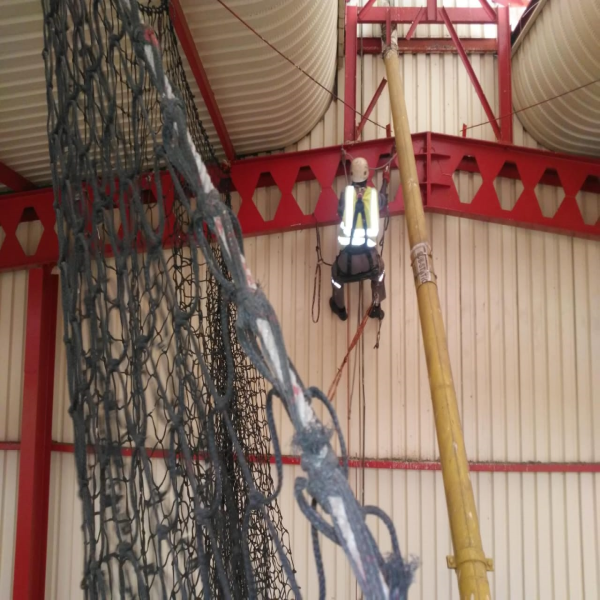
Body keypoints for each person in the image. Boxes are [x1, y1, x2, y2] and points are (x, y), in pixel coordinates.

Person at [330, 157, 387, 322]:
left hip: (347, 262)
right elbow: (383, 200)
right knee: (380, 271)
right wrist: (385, 180)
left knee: (335, 274)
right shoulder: (374, 196)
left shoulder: (345, 194)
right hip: (369, 260)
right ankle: (376, 306)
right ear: (367, 174)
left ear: (351, 175)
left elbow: (341, 212)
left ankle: (340, 309)